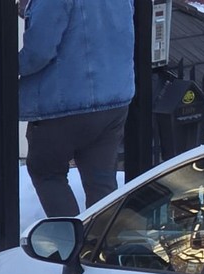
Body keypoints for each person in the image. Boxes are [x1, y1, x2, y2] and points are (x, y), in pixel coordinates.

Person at [19, 0, 135, 217]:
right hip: (114, 100)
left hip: (63, 103)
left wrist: (7, 66)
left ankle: (70, 237)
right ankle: (104, 235)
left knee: (47, 173)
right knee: (101, 181)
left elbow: (38, 53)